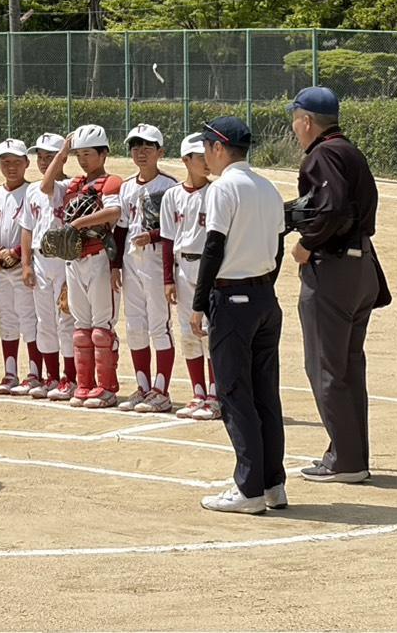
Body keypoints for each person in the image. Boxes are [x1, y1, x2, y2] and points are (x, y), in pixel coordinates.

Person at [191, 117, 287, 515]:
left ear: (219, 148)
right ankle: (273, 484)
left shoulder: (223, 189)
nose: (204, 156)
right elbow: (279, 248)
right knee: (265, 393)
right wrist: (262, 285)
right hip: (265, 297)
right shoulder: (268, 187)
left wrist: (199, 303)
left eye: (206, 147)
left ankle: (249, 488)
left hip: (232, 300)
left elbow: (214, 247)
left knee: (234, 393)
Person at [288, 86, 382, 484]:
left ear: (307, 121)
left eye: (296, 120)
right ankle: (353, 455)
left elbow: (332, 209)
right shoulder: (349, 151)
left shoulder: (323, 154)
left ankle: (346, 460)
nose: (295, 128)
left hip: (334, 268)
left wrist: (307, 244)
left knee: (325, 366)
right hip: (362, 267)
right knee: (348, 366)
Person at [40, 126, 123, 407]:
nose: (83, 160)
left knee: (101, 329)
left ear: (103, 154)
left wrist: (77, 224)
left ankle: (107, 387)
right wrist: (63, 152)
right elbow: (46, 186)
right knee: (81, 329)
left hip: (99, 257)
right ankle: (85, 384)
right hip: (74, 260)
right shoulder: (73, 184)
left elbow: (113, 212)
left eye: (88, 154)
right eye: (79, 155)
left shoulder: (110, 182)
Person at [114, 125, 178, 413]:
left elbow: (174, 229)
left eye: (147, 147)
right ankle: (143, 387)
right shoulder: (127, 186)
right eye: (135, 147)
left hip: (156, 261)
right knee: (135, 325)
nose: (140, 152)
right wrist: (115, 265)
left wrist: (151, 236)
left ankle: (161, 390)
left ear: (160, 152)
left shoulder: (170, 186)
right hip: (131, 262)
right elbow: (121, 229)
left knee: (159, 324)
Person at [159, 134, 218, 420]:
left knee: (209, 331)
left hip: (209, 267)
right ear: (185, 160)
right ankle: (198, 393)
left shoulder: (216, 192)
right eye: (199, 158)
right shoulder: (172, 196)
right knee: (188, 332)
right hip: (182, 267)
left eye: (207, 156)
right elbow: (167, 239)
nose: (206, 162)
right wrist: (167, 279)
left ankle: (216, 395)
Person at [15, 134, 71, 398]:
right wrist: (26, 263)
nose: (44, 161)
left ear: (63, 158)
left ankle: (70, 377)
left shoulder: (70, 186)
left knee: (65, 320)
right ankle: (52, 377)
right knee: (44, 321)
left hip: (63, 260)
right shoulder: (31, 190)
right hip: (40, 259)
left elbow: (49, 185)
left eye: (51, 156)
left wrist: (63, 154)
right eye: (41, 157)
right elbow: (27, 228)